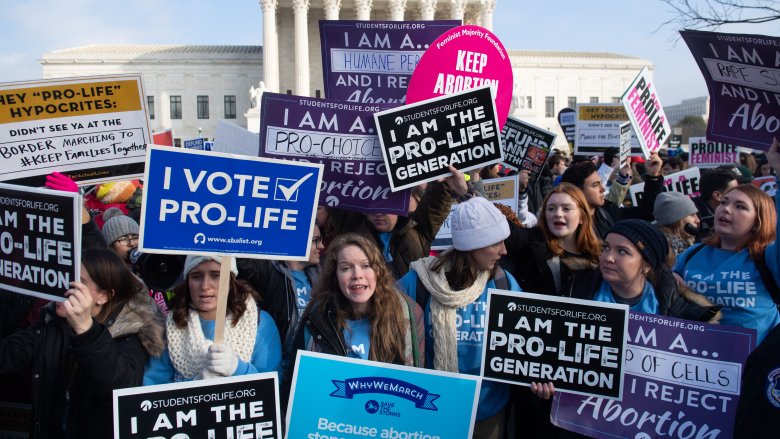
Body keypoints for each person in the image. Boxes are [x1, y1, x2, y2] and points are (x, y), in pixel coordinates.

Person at [0, 248, 164, 439]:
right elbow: (7, 355)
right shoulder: (53, 324)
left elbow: (120, 388)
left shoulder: (131, 335)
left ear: (104, 296)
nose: (65, 289)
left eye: (78, 284)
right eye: (64, 278)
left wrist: (85, 329)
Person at [398, 197, 522, 439]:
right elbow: (383, 322)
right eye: (496, 242)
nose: (504, 250)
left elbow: (523, 345)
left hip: (487, 414)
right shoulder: (419, 282)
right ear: (473, 245)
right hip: (429, 409)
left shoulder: (503, 283)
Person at [286, 233, 423, 365]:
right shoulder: (316, 317)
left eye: (366, 266)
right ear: (335, 276)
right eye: (346, 268)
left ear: (378, 271)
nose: (357, 275)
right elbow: (295, 379)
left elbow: (415, 378)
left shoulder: (405, 314)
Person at [143, 255, 281, 384]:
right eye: (196, 276)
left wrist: (238, 369)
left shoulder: (260, 323)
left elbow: (273, 386)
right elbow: (153, 388)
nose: (205, 286)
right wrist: (193, 386)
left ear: (230, 279)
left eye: (216, 275)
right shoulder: (171, 327)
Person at [327, 166, 468, 279]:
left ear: (399, 204)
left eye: (386, 206)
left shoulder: (418, 228)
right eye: (372, 206)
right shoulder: (352, 230)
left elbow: (436, 202)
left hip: (412, 309)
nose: (378, 213)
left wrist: (444, 179)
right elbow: (337, 194)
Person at [504, 183, 602, 296]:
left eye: (566, 208)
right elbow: (500, 227)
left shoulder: (600, 255)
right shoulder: (532, 242)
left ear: (582, 217)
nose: (558, 214)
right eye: (551, 209)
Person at [237, 224, 324, 341]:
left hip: (308, 357)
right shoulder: (268, 272)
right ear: (295, 239)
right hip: (275, 355)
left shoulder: (322, 276)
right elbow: (239, 260)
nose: (322, 246)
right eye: (316, 240)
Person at [561, 154, 663, 239]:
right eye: (595, 185)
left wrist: (653, 175)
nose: (603, 189)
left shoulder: (608, 211)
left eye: (601, 183)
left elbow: (646, 213)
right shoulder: (562, 225)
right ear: (576, 191)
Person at [653, 191, 700, 258]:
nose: (697, 220)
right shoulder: (672, 251)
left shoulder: (688, 242)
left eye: (696, 214)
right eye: (692, 215)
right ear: (677, 220)